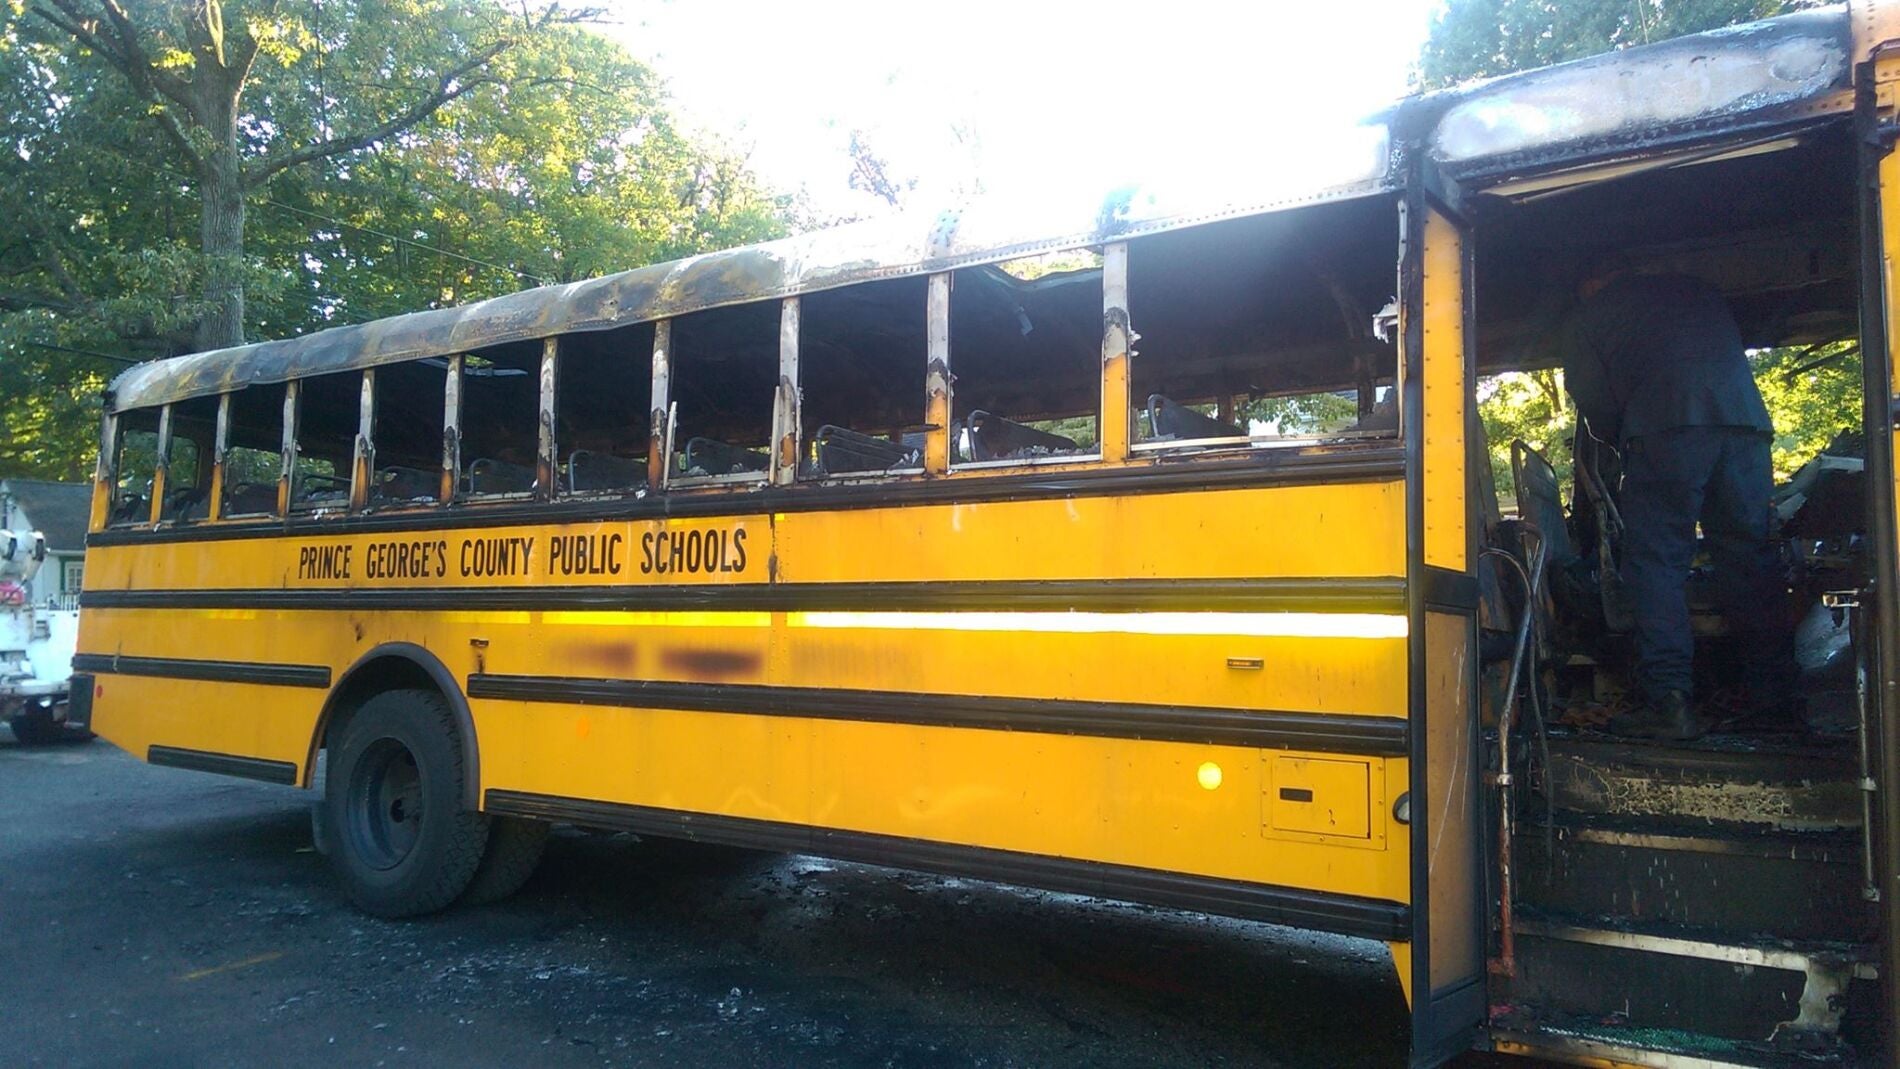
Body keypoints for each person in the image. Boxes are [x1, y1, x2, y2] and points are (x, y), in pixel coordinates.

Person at [1557, 268, 1797, 740]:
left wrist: (1623, 436)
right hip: (1744, 426)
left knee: (1655, 565)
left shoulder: (1588, 316)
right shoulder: (1697, 290)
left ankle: (1669, 702)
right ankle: (1779, 702)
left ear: (1589, 282)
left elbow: (1593, 403)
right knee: (1752, 557)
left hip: (1666, 428)